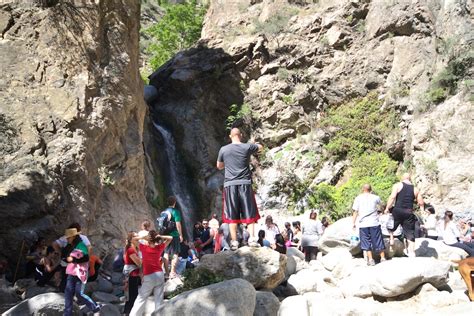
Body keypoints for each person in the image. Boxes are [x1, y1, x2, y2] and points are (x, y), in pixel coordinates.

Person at [217, 127, 263, 250]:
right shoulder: (247, 147)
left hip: (230, 185)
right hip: (245, 183)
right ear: (241, 135)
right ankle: (252, 239)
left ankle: (234, 242)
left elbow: (219, 166)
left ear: (230, 136)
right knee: (249, 211)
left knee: (232, 214)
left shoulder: (223, 149)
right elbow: (260, 147)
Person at [129, 230, 172, 315]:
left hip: (149, 276)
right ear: (156, 239)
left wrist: (142, 237)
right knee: (159, 299)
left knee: (141, 298)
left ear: (148, 239)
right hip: (159, 274)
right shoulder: (159, 248)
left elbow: (132, 240)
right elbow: (170, 238)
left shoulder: (143, 247)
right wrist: (160, 236)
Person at [384, 173, 424, 257]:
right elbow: (420, 202)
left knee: (390, 226)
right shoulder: (415, 189)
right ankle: (412, 252)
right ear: (410, 179)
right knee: (410, 233)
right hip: (409, 212)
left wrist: (387, 208)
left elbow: (392, 197)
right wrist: (422, 211)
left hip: (397, 210)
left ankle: (391, 240)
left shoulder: (398, 185)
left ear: (402, 178)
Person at [63, 228, 99, 316]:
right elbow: (66, 256)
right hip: (72, 273)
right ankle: (67, 314)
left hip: (80, 273)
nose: (67, 239)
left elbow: (86, 258)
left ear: (74, 237)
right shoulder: (69, 246)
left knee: (79, 294)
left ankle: (95, 308)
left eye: (69, 238)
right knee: (68, 293)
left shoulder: (81, 245)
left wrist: (72, 259)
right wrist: (68, 259)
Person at [352, 184, 386, 266]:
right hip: (374, 222)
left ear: (362, 189)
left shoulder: (358, 198)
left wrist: (353, 223)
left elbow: (355, 211)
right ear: (371, 189)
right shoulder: (376, 197)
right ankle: (382, 258)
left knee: (366, 242)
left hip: (363, 224)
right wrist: (381, 212)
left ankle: (371, 260)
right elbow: (382, 206)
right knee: (378, 240)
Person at [162, 196, 183, 279]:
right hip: (174, 235)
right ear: (175, 202)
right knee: (175, 253)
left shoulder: (164, 212)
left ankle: (166, 273)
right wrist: (180, 234)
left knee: (166, 253)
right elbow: (178, 224)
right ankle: (172, 272)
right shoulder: (176, 212)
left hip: (165, 235)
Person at [123, 232, 142, 316]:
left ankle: (127, 312)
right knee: (132, 296)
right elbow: (139, 263)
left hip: (133, 274)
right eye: (135, 236)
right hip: (131, 274)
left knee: (131, 295)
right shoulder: (131, 249)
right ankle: (128, 313)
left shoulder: (134, 248)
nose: (138, 238)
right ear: (131, 239)